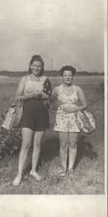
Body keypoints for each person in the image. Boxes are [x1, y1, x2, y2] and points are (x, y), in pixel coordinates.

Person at [13, 55, 51, 186]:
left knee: (38, 143)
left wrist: (42, 96)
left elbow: (49, 97)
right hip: (28, 113)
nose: (36, 68)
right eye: (34, 65)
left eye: (39, 66)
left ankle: (33, 171)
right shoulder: (25, 79)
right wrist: (31, 96)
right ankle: (19, 173)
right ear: (30, 66)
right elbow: (17, 97)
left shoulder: (45, 79)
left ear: (42, 67)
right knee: (26, 144)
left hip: (42, 113)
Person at [52, 65, 87, 176]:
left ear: (73, 76)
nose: (67, 77)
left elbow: (85, 105)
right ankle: (63, 168)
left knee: (73, 144)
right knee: (63, 144)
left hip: (74, 118)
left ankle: (71, 168)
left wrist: (76, 108)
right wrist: (60, 106)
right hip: (61, 118)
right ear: (62, 76)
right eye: (65, 75)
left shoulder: (77, 89)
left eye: (70, 75)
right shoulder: (57, 89)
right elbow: (51, 102)